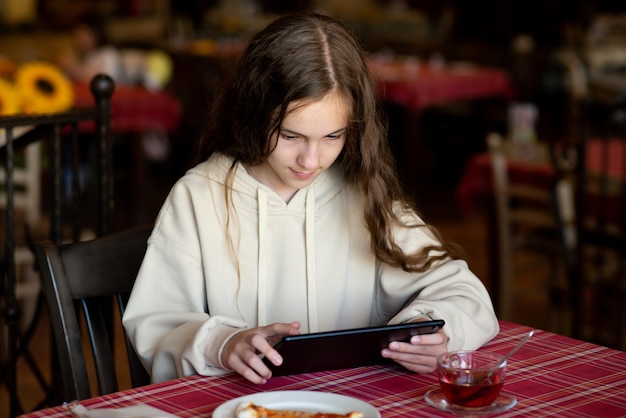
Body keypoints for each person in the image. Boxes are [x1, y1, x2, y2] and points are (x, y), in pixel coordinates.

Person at [122, 13, 499, 385]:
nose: (311, 160)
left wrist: (430, 331)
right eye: (290, 136)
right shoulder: (199, 197)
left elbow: (462, 292)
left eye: (332, 137)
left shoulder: (362, 193)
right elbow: (157, 323)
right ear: (254, 113)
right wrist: (222, 343)